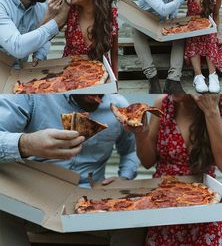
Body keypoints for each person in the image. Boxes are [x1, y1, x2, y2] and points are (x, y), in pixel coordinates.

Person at [0, 93, 146, 246]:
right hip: (34, 200)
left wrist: (125, 177)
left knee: (135, 222)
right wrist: (27, 144)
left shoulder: (118, 107)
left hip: (93, 202)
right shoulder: (32, 96)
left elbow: (130, 150)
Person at [126, 93, 222, 245]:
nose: (171, 86)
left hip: (203, 203)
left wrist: (211, 112)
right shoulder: (163, 103)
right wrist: (140, 135)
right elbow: (147, 161)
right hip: (163, 203)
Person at [133, 0, 190, 94]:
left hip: (163, 25)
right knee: (136, 31)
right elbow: (163, 10)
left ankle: (173, 80)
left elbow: (171, 13)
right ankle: (152, 77)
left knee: (181, 34)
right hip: (146, 24)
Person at [0, 0, 70, 67]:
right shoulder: (2, 4)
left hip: (19, 73)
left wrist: (40, 53)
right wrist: (57, 20)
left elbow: (43, 36)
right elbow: (17, 47)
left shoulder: (40, 7)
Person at [63, 0, 118, 78]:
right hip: (69, 77)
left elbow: (114, 53)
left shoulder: (111, 14)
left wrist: (115, 83)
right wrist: (50, 11)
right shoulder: (68, 9)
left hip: (99, 75)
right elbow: (42, 35)